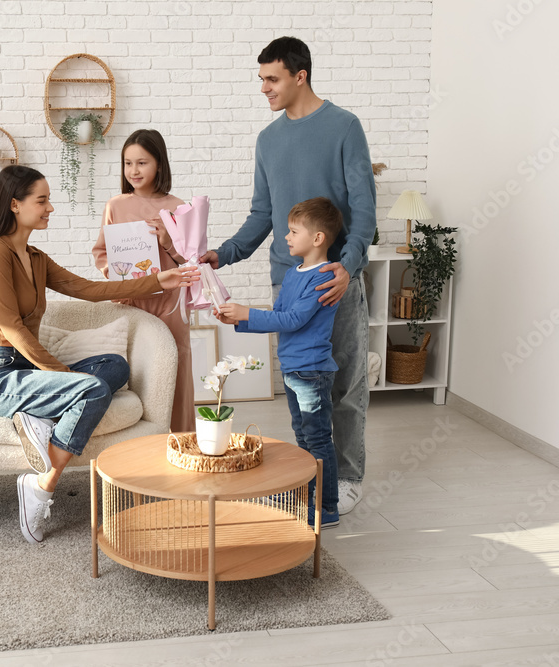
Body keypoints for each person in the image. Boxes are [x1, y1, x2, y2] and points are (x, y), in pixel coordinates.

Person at [0, 165, 198, 544]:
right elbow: (11, 327)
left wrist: (159, 280)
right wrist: (67, 377)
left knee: (115, 366)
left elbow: (89, 289)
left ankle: (41, 417)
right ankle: (42, 485)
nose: (50, 209)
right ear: (14, 204)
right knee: (91, 389)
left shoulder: (36, 257)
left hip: (30, 373)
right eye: (42, 201)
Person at [200, 36, 376, 514]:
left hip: (335, 278)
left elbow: (364, 211)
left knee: (344, 384)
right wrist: (225, 253)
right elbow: (263, 214)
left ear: (301, 76)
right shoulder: (268, 140)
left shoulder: (344, 127)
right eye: (261, 79)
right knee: (303, 389)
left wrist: (350, 264)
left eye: (272, 78)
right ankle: (310, 479)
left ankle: (347, 479)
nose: (264, 88)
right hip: (287, 281)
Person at [216, 197, 343, 528]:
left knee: (317, 440)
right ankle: (306, 496)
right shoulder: (292, 274)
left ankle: (327, 507)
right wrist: (238, 319)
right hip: (293, 368)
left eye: (292, 231)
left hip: (311, 370)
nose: (285, 237)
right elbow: (279, 316)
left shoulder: (323, 276)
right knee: (303, 437)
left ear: (317, 238)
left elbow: (295, 319)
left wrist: (247, 314)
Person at [91, 129, 195, 432]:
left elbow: (190, 262)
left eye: (142, 163)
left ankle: (180, 442)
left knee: (174, 372)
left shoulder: (178, 207)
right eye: (128, 163)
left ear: (159, 164)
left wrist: (167, 240)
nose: (133, 171)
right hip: (131, 302)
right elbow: (101, 253)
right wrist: (120, 276)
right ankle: (137, 451)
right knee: (137, 375)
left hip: (170, 306)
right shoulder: (116, 205)